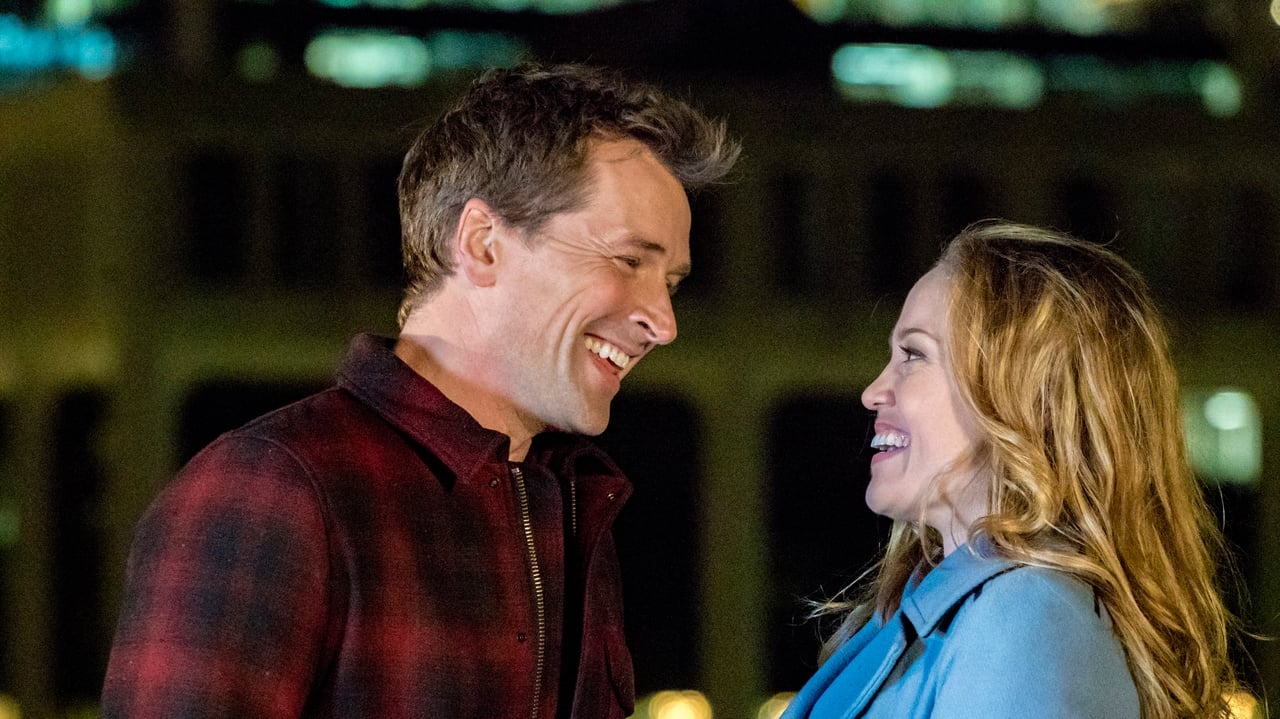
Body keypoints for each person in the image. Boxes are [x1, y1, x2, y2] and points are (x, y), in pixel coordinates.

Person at [101, 63, 739, 719]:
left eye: (671, 283)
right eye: (628, 261)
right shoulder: (277, 486)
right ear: (483, 244)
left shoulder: (572, 507)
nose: (664, 323)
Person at [782, 221, 1239, 719]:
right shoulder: (954, 611)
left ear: (1028, 397)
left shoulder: (1026, 617)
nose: (873, 392)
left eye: (913, 354)